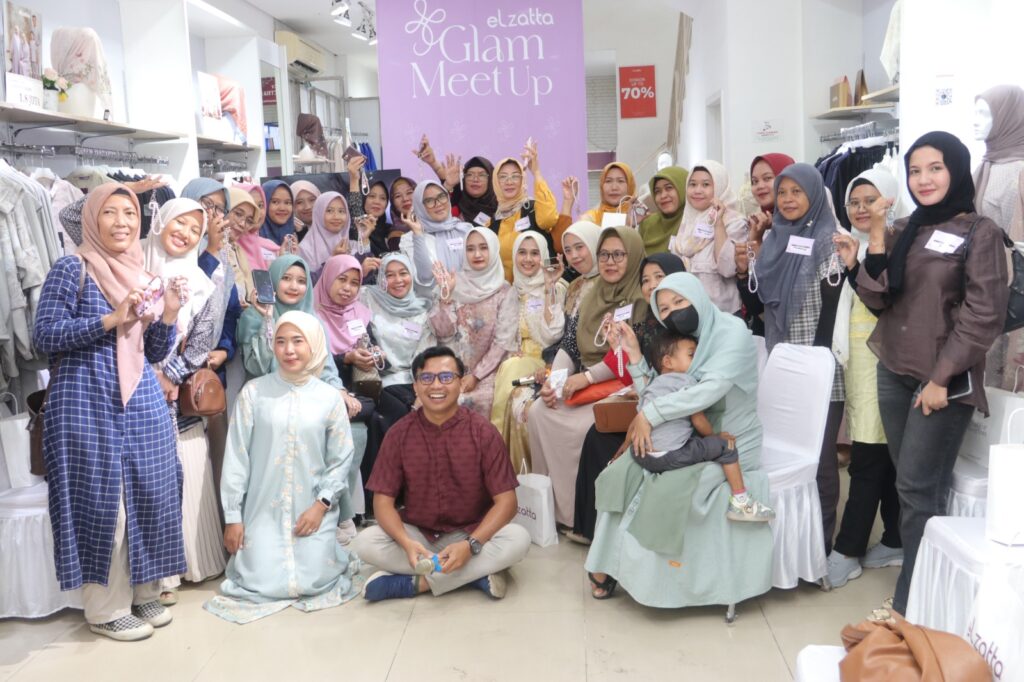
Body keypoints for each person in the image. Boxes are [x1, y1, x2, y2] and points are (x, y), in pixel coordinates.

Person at [836, 131, 1008, 616]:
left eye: (935, 168)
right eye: (915, 170)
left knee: (915, 488)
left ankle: (911, 603)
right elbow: (878, 298)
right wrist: (874, 238)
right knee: (913, 486)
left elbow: (983, 316)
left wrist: (941, 379)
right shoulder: (906, 228)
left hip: (942, 381)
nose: (923, 179)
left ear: (956, 169)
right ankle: (928, 589)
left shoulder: (980, 232)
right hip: (893, 370)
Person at [33, 184, 187, 641]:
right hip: (85, 400)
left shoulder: (142, 274)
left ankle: (144, 592)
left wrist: (168, 314)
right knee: (103, 503)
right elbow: (45, 335)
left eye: (130, 213)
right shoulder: (72, 267)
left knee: (152, 493)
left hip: (141, 401)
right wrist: (110, 319)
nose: (122, 222)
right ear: (91, 219)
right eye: (111, 212)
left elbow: (153, 351)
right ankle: (105, 608)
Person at [584, 273, 773, 606]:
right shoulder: (686, 340)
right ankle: (607, 562)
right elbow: (661, 389)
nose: (674, 313)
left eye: (679, 301)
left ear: (697, 295)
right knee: (622, 472)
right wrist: (634, 355)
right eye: (665, 309)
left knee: (662, 486)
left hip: (730, 440)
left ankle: (653, 582)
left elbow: (707, 392)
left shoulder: (731, 335)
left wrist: (650, 415)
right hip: (685, 436)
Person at [204, 311, 360, 623]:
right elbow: (236, 457)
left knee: (314, 580)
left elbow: (341, 458)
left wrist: (321, 505)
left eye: (298, 341)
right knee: (258, 580)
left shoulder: (329, 398)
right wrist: (233, 518)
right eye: (280, 341)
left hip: (311, 510)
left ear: (313, 344)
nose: (289, 350)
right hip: (262, 511)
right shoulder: (254, 393)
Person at [352, 346, 531, 601]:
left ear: (460, 383)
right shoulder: (399, 434)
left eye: (446, 377)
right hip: (419, 535)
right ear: (415, 386)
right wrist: (406, 542)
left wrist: (471, 545)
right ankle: (474, 575)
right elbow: (382, 503)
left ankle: (417, 584)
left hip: (471, 531)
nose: (436, 385)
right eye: (426, 378)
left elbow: (507, 502)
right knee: (365, 543)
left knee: (518, 539)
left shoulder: (483, 432)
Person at [746, 163, 847, 555]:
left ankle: (820, 543)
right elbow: (757, 302)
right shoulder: (775, 238)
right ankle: (788, 542)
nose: (787, 199)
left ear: (814, 194)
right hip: (782, 364)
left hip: (817, 369)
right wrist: (754, 248)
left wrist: (813, 364)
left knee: (820, 458)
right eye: (782, 192)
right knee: (783, 453)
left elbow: (832, 307)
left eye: (796, 192)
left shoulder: (827, 239)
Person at [526, 226, 649, 527]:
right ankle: (550, 511)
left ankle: (578, 515)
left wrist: (588, 378)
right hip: (586, 381)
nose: (610, 262)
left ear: (633, 256)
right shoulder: (592, 296)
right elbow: (570, 345)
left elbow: (628, 353)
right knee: (540, 411)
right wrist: (554, 384)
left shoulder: (641, 301)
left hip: (624, 383)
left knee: (580, 427)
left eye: (618, 254)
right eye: (604, 255)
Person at [144, 198, 228, 604]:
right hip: (129, 386)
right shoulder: (133, 267)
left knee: (187, 473)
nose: (186, 233)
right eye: (179, 222)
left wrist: (169, 376)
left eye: (196, 229)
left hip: (176, 396)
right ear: (160, 221)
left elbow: (200, 343)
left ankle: (191, 565)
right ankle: (155, 576)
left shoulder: (202, 283)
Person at [570, 252, 687, 543]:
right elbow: (643, 380)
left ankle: (619, 535)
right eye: (645, 279)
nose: (651, 285)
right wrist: (622, 351)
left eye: (659, 277)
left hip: (679, 418)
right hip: (651, 405)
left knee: (614, 442)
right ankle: (593, 529)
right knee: (597, 436)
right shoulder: (649, 325)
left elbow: (686, 389)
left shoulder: (688, 328)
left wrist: (646, 415)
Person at [826, 168, 904, 588]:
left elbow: (880, 302)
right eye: (854, 201)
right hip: (859, 364)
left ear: (889, 200)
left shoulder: (898, 244)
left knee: (868, 456)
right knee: (879, 451)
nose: (861, 208)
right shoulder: (848, 243)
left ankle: (848, 549)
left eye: (871, 200)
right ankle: (894, 538)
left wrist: (857, 263)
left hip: (885, 362)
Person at [623, 330, 773, 521]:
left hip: (643, 456)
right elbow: (698, 419)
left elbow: (641, 414)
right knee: (727, 448)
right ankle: (741, 503)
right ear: (668, 361)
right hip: (669, 456)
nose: (698, 360)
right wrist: (715, 437)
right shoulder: (687, 381)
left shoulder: (652, 384)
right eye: (692, 355)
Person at [501, 220, 601, 472]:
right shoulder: (576, 285)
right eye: (568, 250)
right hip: (561, 365)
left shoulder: (602, 285)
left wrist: (555, 371)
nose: (575, 255)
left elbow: (557, 337)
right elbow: (565, 338)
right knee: (516, 394)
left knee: (527, 402)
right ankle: (522, 478)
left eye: (580, 247)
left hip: (584, 371)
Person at [360, 253, 440, 512]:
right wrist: (360, 273)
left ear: (412, 275)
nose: (397, 280)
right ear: (381, 278)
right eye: (390, 274)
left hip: (412, 382)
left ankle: (411, 495)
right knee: (393, 417)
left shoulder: (422, 310)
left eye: (403, 273)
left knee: (410, 414)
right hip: (379, 380)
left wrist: (421, 391)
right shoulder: (368, 298)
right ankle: (388, 497)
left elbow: (425, 355)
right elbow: (338, 297)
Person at [490, 230, 567, 456]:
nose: (528, 259)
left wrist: (549, 289)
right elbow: (503, 333)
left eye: (535, 253)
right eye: (522, 252)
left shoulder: (557, 287)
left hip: (543, 360)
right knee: (507, 366)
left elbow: (552, 336)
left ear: (543, 256)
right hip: (513, 357)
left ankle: (495, 447)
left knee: (510, 367)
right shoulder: (512, 289)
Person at [430, 227, 517, 418]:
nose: (477, 254)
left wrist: (476, 375)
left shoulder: (504, 291)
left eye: (483, 248)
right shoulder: (453, 283)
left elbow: (503, 341)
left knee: (484, 400)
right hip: (451, 369)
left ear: (493, 249)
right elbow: (442, 332)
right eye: (470, 249)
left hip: (489, 373)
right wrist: (446, 296)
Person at [669, 160, 748, 313]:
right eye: (692, 184)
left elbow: (727, 268)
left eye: (706, 185)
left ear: (720, 187)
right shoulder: (687, 222)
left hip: (723, 315)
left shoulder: (734, 223)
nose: (697, 190)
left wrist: (718, 223)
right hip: (690, 313)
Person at [735, 153, 796, 335]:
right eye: (754, 181)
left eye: (768, 178)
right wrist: (754, 240)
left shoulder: (801, 229)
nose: (760, 186)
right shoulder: (760, 224)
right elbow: (756, 297)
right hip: (766, 329)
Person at [490, 142, 560, 278]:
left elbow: (548, 219)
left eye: (515, 176)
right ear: (495, 182)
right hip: (508, 289)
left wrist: (536, 173)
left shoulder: (533, 208)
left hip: (539, 285)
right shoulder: (492, 222)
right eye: (503, 176)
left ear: (523, 179)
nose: (509, 182)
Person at [402, 180, 472, 292]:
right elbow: (425, 278)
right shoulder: (409, 239)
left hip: (470, 296)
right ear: (420, 206)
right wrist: (418, 235)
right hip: (434, 300)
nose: (438, 204)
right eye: (429, 201)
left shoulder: (466, 230)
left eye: (441, 196)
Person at [298, 191, 351, 282]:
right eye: (329, 211)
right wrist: (332, 259)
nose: (336, 217)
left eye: (341, 211)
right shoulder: (305, 249)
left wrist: (364, 239)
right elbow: (307, 283)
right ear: (319, 213)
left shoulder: (350, 244)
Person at [638, 166, 688, 254]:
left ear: (683, 188)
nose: (663, 196)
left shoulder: (694, 223)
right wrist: (629, 224)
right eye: (657, 191)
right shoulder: (647, 224)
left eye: (669, 188)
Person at [581, 162, 636, 228]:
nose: (614, 187)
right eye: (608, 181)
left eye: (620, 181)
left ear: (630, 186)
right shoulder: (589, 219)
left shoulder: (639, 217)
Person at [259, 179, 298, 248]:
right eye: (275, 202)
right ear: (264, 203)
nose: (282, 208)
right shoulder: (253, 239)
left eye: (287, 202)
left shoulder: (294, 237)